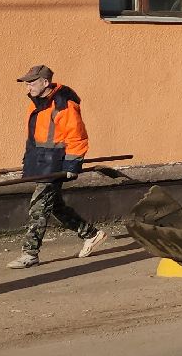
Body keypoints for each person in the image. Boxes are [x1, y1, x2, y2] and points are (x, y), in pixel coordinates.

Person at [10, 65, 111, 269]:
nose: (27, 87)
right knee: (54, 205)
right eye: (27, 83)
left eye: (31, 82)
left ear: (45, 82)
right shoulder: (36, 104)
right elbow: (36, 138)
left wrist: (73, 165)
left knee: (38, 206)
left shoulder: (64, 104)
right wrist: (28, 163)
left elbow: (77, 136)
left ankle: (30, 253)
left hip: (56, 164)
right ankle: (91, 234)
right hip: (41, 162)